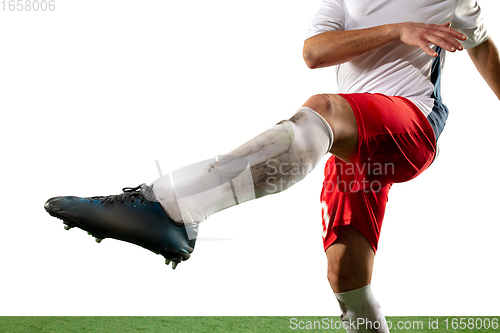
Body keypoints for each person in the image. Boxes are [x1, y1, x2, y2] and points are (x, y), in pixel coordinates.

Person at [44, 0, 499, 331]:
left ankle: (171, 209)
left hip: (410, 122)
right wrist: (398, 30)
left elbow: (486, 55)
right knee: (346, 278)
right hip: (351, 142)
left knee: (322, 107)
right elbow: (315, 53)